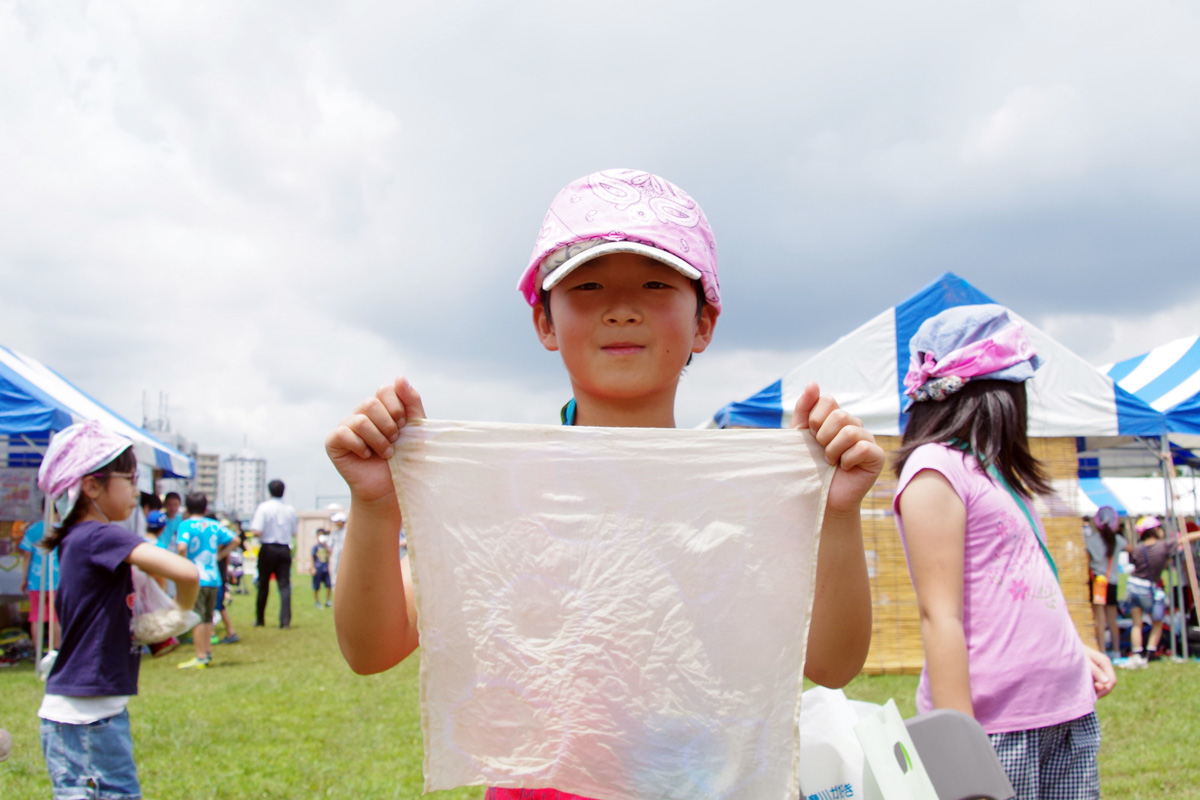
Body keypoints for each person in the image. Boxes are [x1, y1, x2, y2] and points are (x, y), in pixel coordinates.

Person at [326, 168, 884, 799]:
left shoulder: (743, 503)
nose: (621, 308)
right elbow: (371, 649)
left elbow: (834, 664)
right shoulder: (505, 497)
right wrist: (374, 505)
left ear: (704, 322)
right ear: (545, 322)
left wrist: (835, 513)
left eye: (655, 283)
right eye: (587, 285)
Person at [892, 304, 1116, 800]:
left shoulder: (990, 472)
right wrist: (960, 755)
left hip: (1065, 711)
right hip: (999, 728)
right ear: (992, 395)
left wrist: (1074, 653)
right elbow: (939, 617)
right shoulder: (934, 470)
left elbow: (1014, 590)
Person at [35, 420, 199, 799]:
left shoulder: (77, 540)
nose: (136, 490)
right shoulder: (101, 536)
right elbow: (186, 572)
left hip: (85, 715)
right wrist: (177, 614)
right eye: (129, 479)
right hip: (88, 720)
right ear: (91, 485)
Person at [1121, 515, 1200, 668]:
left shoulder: (1138, 548)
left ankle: (1137, 654)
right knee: (1158, 622)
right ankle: (1150, 653)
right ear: (1155, 531)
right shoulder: (1163, 546)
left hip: (1132, 585)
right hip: (1149, 588)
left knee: (1137, 624)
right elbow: (1185, 539)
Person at [175, 493, 238, 669]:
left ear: (187, 509)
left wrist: (183, 563)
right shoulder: (214, 525)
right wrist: (220, 555)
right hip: (214, 578)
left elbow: (181, 546)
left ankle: (200, 656)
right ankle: (207, 653)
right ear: (205, 508)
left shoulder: (186, 525)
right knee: (208, 617)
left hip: (196, 578)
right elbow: (235, 539)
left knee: (197, 618)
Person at [249, 479, 298, 629]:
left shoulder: (264, 507)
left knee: (263, 584)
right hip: (284, 549)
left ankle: (260, 619)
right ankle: (285, 622)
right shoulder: (289, 509)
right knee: (284, 586)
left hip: (268, 548)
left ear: (269, 491)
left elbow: (257, 530)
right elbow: (294, 532)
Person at [19, 502, 61, 653]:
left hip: (36, 581)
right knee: (56, 617)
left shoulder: (33, 530)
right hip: (59, 580)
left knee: (36, 616)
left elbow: (26, 557)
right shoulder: (64, 529)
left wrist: (24, 579)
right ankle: (57, 650)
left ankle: (37, 652)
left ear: (43, 510)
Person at [1086, 506, 1126, 657]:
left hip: (1097, 582)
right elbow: (1132, 549)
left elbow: (1087, 561)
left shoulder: (1090, 541)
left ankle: (1102, 649)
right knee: (1112, 619)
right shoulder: (1118, 541)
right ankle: (1116, 650)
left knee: (1099, 619)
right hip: (1112, 582)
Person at [311, 529, 332, 608]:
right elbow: (312, 557)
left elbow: (330, 553)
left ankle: (328, 600)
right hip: (318, 568)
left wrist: (326, 545)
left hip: (325, 568)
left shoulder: (326, 546)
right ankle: (317, 601)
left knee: (329, 585)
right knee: (316, 586)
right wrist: (313, 568)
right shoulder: (315, 547)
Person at [328, 511, 347, 590]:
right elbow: (329, 545)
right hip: (335, 557)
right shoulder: (334, 533)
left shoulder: (348, 532)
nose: (335, 523)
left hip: (346, 557)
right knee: (334, 574)